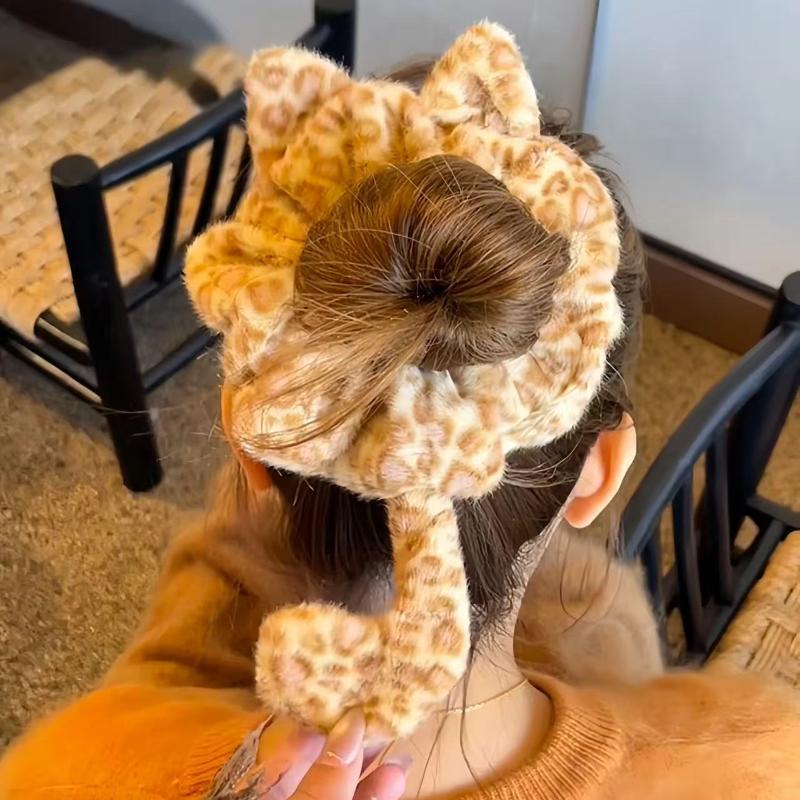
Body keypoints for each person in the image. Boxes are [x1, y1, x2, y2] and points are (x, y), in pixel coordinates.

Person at [3, 22, 800, 800]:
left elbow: (163, 675)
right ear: (601, 471)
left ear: (253, 450)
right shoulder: (764, 761)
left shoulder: (69, 769)